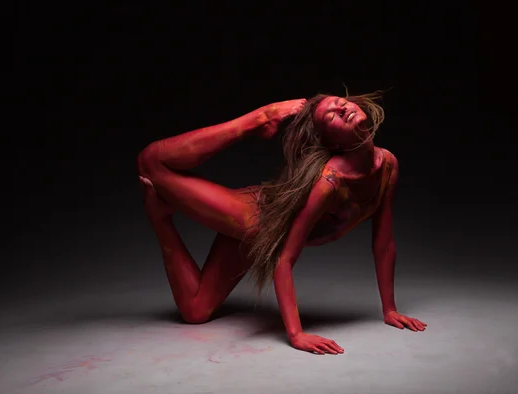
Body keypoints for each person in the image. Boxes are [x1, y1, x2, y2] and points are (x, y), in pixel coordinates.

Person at [136, 91, 427, 355]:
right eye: (331, 115)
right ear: (332, 142)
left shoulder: (388, 164)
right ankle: (257, 118)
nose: (342, 108)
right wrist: (296, 334)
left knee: (195, 312)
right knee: (151, 162)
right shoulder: (329, 182)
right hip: (255, 217)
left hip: (263, 238)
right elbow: (284, 258)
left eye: (342, 102)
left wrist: (389, 309)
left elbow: (384, 242)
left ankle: (160, 218)